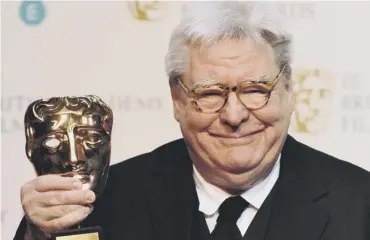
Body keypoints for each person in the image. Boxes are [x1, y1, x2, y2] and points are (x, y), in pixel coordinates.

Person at [15, 1, 370, 240]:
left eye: (255, 89)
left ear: (289, 90)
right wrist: (39, 233)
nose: (234, 116)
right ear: (177, 99)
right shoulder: (107, 199)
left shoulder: (360, 205)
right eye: (210, 93)